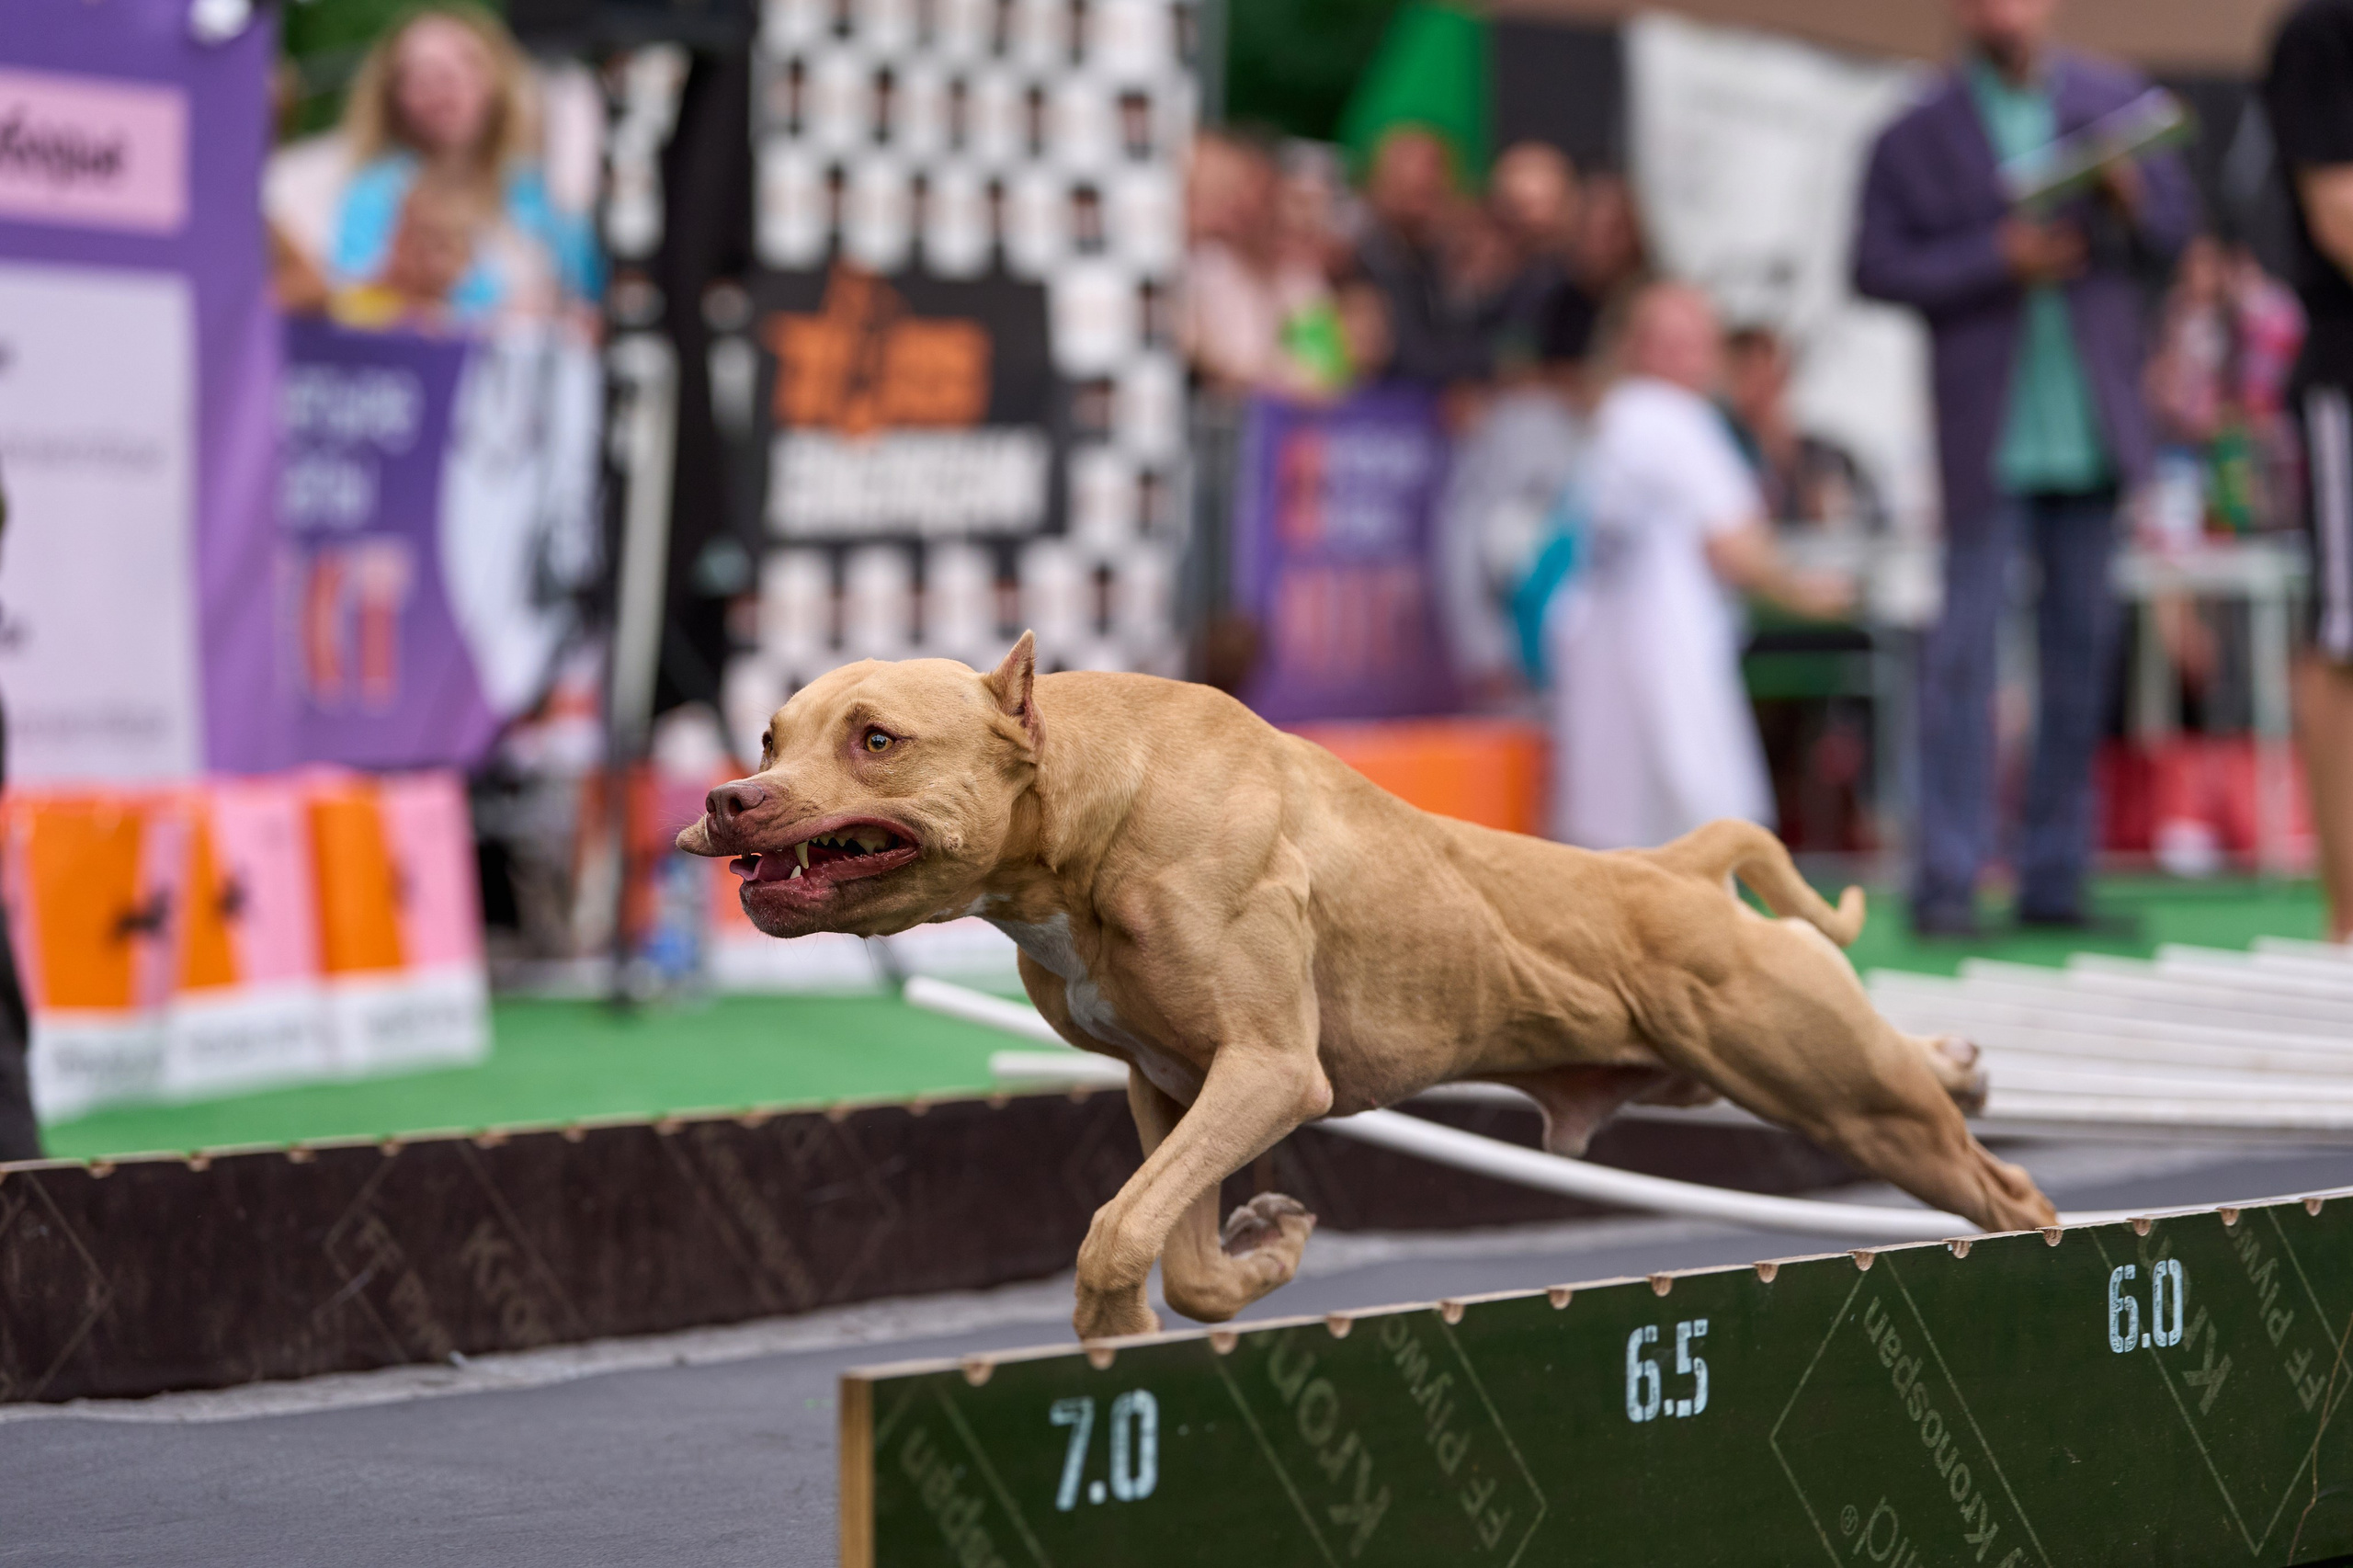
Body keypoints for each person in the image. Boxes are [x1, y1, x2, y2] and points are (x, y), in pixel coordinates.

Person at [1855, 0, 2194, 936]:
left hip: (2091, 430)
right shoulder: (1913, 132)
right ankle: (1948, 879)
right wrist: (1994, 258)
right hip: (1985, 440)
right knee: (1963, 659)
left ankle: (2054, 876)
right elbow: (1872, 264)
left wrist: (2131, 197)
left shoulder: (2112, 100)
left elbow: (2175, 232)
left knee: (2082, 657)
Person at [1551, 283, 1852, 849]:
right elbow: (1734, 547)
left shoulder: (1617, 418)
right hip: (1668, 660)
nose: (1687, 356)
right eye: (1672, 341)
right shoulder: (1671, 420)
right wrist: (1813, 594)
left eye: (1696, 341)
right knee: (1707, 836)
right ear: (1636, 345)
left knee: (1620, 841)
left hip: (1616, 655)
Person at [290, 6, 600, 329]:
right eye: (420, 75)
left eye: (464, 64)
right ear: (393, 95)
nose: (443, 86)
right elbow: (348, 307)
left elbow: (588, 292)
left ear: (497, 75)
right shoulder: (378, 194)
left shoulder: (533, 190)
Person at [2268, 0, 2353, 940]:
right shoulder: (2322, 33)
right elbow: (2338, 214)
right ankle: (2348, 918)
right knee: (2344, 634)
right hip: (2347, 375)